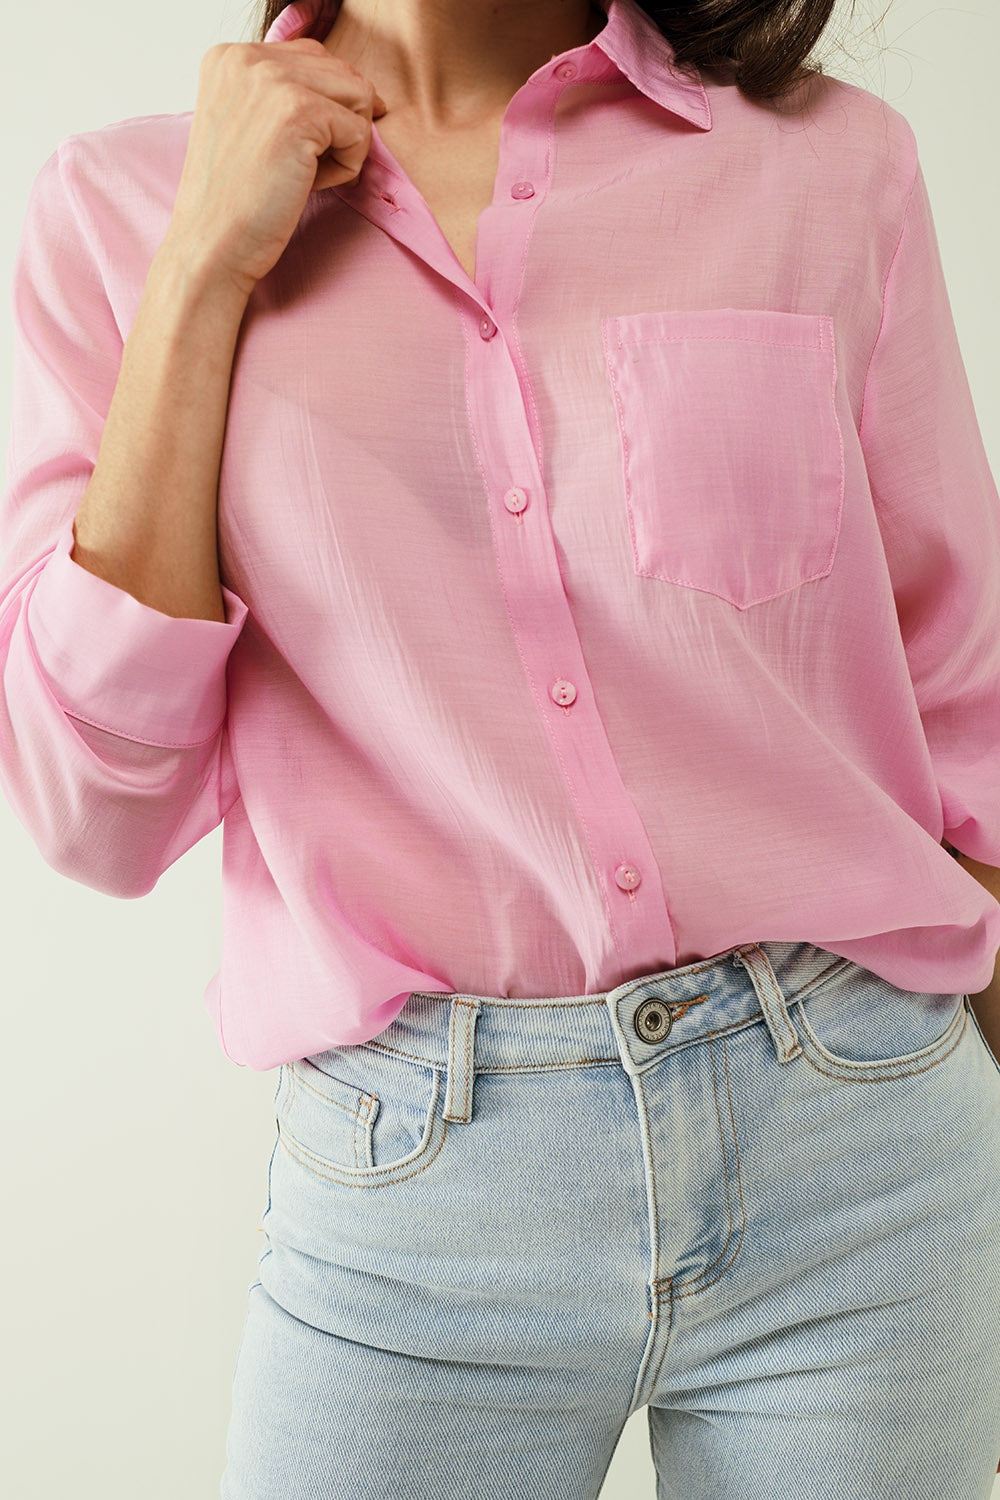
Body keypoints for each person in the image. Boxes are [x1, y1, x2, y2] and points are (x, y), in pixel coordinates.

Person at [2, 0, 999, 1494]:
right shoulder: (123, 210)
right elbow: (94, 813)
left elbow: (967, 708)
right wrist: (205, 262)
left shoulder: (827, 166)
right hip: (417, 1201)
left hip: (856, 1142)